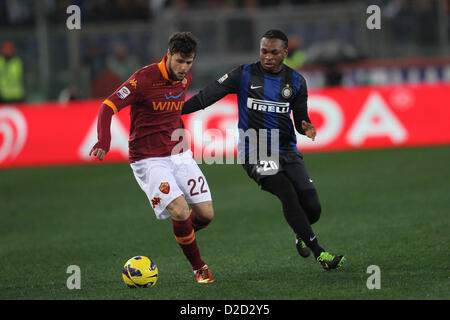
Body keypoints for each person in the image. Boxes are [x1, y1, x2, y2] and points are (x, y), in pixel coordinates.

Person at [181, 29, 345, 271]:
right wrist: (175, 111)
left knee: (312, 206)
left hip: (287, 150)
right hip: (255, 151)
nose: (267, 57)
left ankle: (301, 234)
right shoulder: (243, 74)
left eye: (274, 52)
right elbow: (206, 96)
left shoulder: (297, 81)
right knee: (287, 193)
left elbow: (300, 118)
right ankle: (320, 254)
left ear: (285, 53)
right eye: (263, 51)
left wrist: (306, 126)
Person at [89, 32, 215, 283]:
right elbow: (108, 106)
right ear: (168, 55)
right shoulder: (143, 80)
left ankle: (184, 236)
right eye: (179, 61)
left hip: (180, 154)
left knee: (206, 215)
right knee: (180, 211)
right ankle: (199, 268)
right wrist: (104, 139)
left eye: (189, 63)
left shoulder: (185, 79)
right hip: (149, 159)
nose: (183, 68)